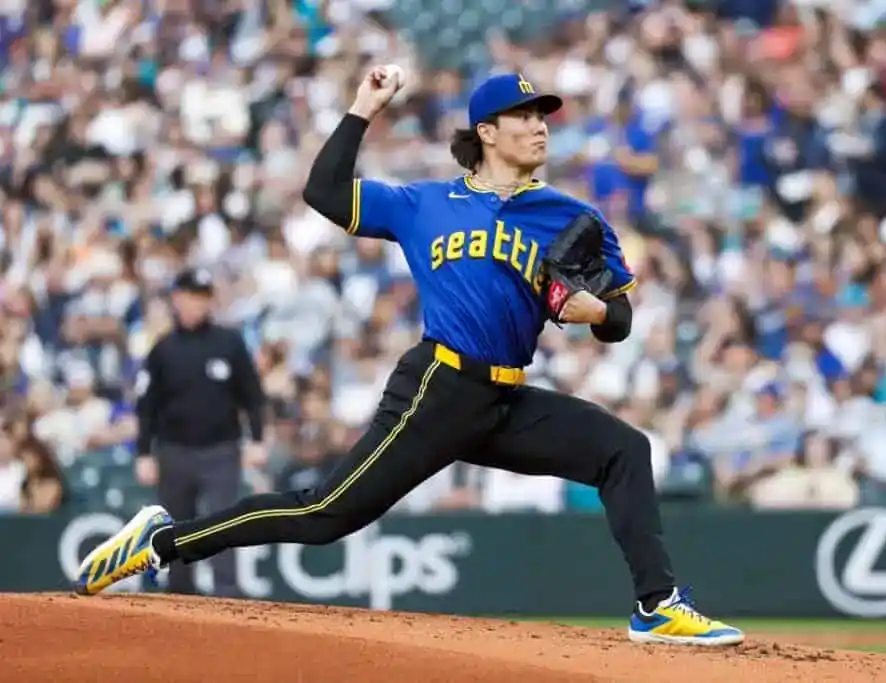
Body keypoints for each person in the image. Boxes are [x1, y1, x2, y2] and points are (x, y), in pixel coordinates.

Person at [74, 67, 744, 647]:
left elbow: (619, 319)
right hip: (437, 386)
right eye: (524, 115)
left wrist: (597, 312)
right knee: (324, 514)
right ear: (486, 131)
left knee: (622, 448)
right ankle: (163, 540)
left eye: (544, 116)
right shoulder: (427, 203)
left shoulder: (570, 217)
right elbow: (325, 195)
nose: (541, 126)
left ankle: (657, 606)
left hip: (504, 399)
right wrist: (362, 109)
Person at [131, 268, 267, 597]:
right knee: (176, 527)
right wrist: (144, 453)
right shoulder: (163, 349)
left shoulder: (230, 343)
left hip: (221, 450)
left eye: (202, 298)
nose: (196, 305)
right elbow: (147, 404)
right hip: (175, 451)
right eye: (190, 297)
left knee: (223, 522)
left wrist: (258, 439)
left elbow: (252, 395)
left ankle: (227, 596)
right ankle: (180, 598)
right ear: (177, 299)